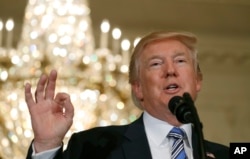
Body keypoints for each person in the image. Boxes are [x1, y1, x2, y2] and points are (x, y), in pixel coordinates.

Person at [25, 31, 229, 159]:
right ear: (138, 87)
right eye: (156, 63)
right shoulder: (93, 147)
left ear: (197, 81)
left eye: (180, 61)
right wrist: (46, 146)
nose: (170, 70)